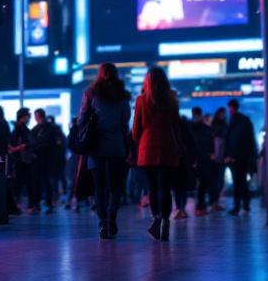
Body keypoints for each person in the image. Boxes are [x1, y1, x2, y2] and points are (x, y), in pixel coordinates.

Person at [76, 63, 133, 238]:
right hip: (117, 146)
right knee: (115, 187)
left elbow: (82, 119)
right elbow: (125, 123)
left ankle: (102, 222)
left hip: (96, 146)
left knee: (99, 187)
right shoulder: (123, 96)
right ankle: (112, 218)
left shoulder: (91, 93)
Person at [132, 67, 182, 241]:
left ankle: (156, 219)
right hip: (168, 148)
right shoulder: (172, 100)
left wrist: (136, 147)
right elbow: (177, 126)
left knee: (152, 189)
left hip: (148, 149)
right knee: (165, 189)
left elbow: (136, 129)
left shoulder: (141, 101)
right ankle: (166, 221)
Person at [224, 99, 258, 215]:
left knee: (238, 182)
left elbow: (231, 141)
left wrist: (228, 155)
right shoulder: (244, 121)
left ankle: (238, 206)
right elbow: (250, 141)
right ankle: (244, 205)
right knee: (242, 182)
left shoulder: (234, 122)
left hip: (237, 158)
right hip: (242, 157)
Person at [31, 109, 64, 213]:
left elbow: (33, 142)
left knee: (40, 181)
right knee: (46, 181)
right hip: (48, 159)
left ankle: (39, 204)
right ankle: (47, 204)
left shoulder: (38, 129)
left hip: (41, 158)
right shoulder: (52, 127)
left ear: (38, 116)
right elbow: (59, 142)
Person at [10, 108, 38, 213]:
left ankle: (23, 204)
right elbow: (16, 145)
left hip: (21, 159)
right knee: (24, 183)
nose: (29, 118)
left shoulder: (19, 128)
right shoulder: (20, 129)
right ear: (23, 117)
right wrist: (23, 146)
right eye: (27, 116)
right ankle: (24, 205)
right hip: (22, 160)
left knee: (22, 183)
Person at [190, 107, 217, 215]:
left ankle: (199, 206)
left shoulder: (189, 127)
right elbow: (210, 143)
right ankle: (201, 206)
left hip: (194, 159)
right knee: (204, 183)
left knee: (200, 183)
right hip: (204, 158)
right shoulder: (206, 128)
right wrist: (211, 153)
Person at [209, 108, 229, 210]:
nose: (222, 116)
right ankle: (214, 202)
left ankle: (214, 202)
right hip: (216, 158)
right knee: (216, 181)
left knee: (219, 181)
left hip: (220, 158)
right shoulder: (222, 127)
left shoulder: (221, 126)